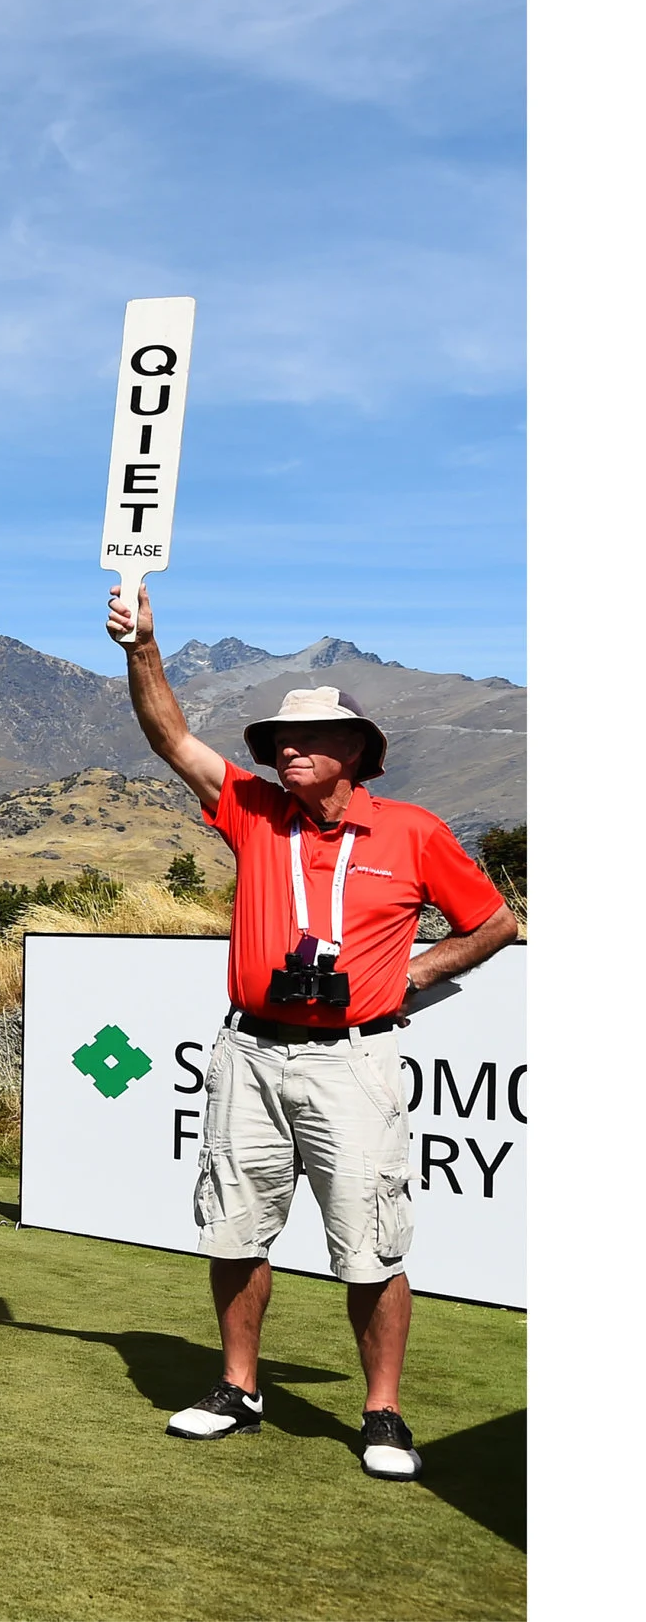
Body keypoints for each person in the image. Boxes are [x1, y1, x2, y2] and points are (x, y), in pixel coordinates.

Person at [109, 583, 518, 1481]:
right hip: (249, 1050)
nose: (285, 748)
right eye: (278, 740)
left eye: (307, 739)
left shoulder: (413, 833)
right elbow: (171, 738)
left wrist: (417, 971)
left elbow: (495, 922)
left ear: (355, 754)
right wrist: (143, 645)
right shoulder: (254, 812)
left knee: (370, 1240)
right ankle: (239, 1389)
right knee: (234, 1227)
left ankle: (382, 1413)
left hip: (353, 1056)